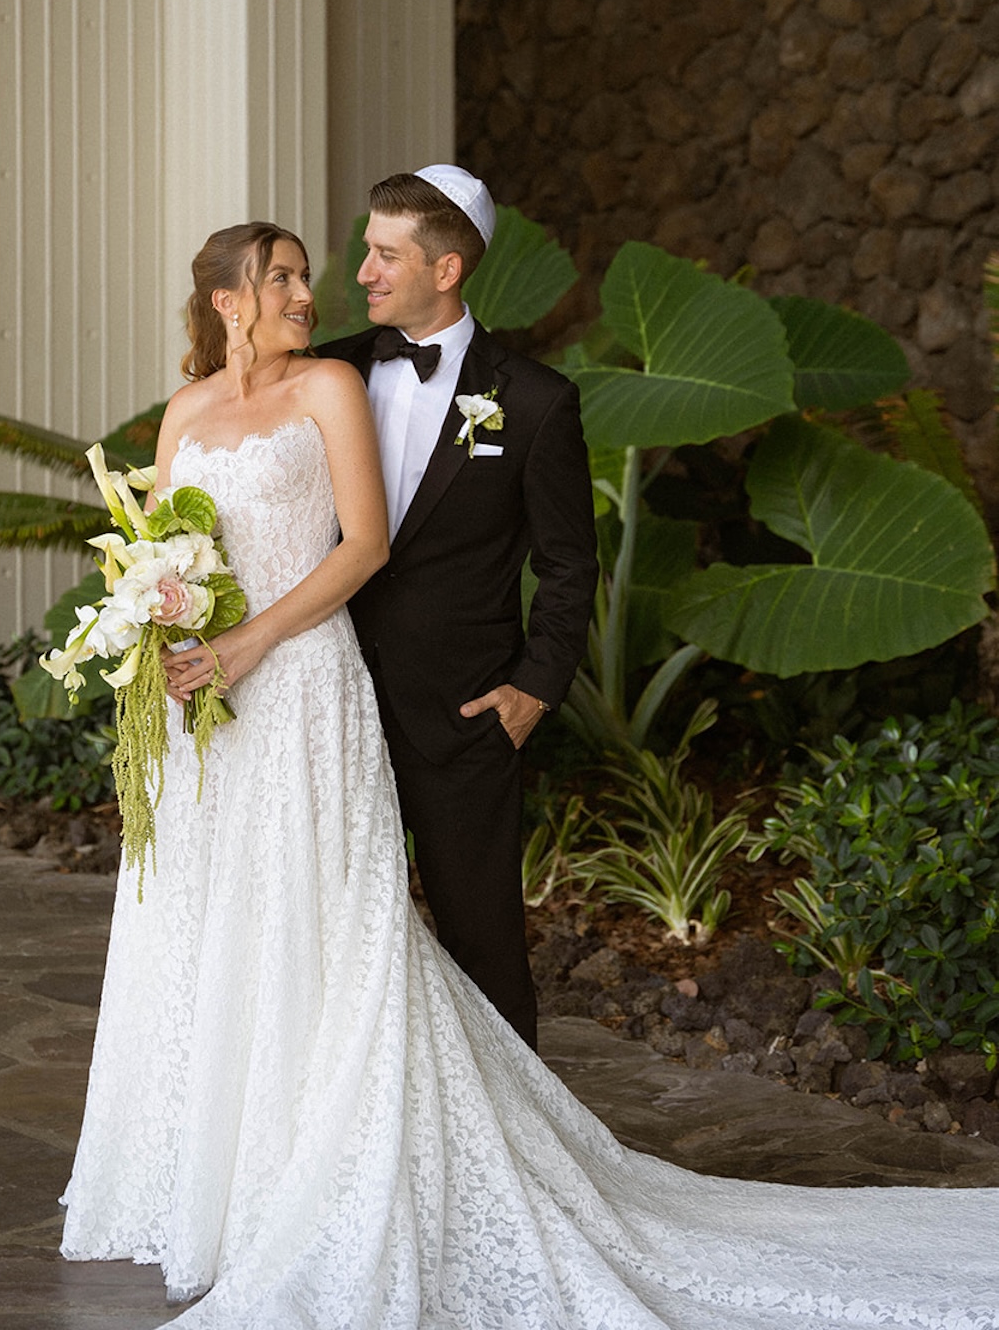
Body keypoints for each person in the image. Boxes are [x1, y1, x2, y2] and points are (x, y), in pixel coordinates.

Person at [60, 217, 999, 1329]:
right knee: (210, 921)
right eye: (284, 278)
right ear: (227, 303)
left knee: (320, 924)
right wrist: (158, 620)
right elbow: (165, 539)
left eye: (312, 274)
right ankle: (198, 1183)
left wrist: (252, 640)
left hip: (302, 680)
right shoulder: (182, 413)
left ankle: (317, 1176)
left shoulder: (329, 391)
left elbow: (362, 546)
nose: (312, 293)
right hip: (205, 704)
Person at [317, 166, 598, 1046]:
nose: (362, 271)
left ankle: (511, 1153)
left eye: (384, 255)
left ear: (445, 271)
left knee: (481, 938)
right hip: (326, 696)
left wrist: (534, 689)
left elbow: (569, 564)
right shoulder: (328, 374)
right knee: (331, 936)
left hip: (466, 710)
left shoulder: (538, 401)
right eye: (368, 249)